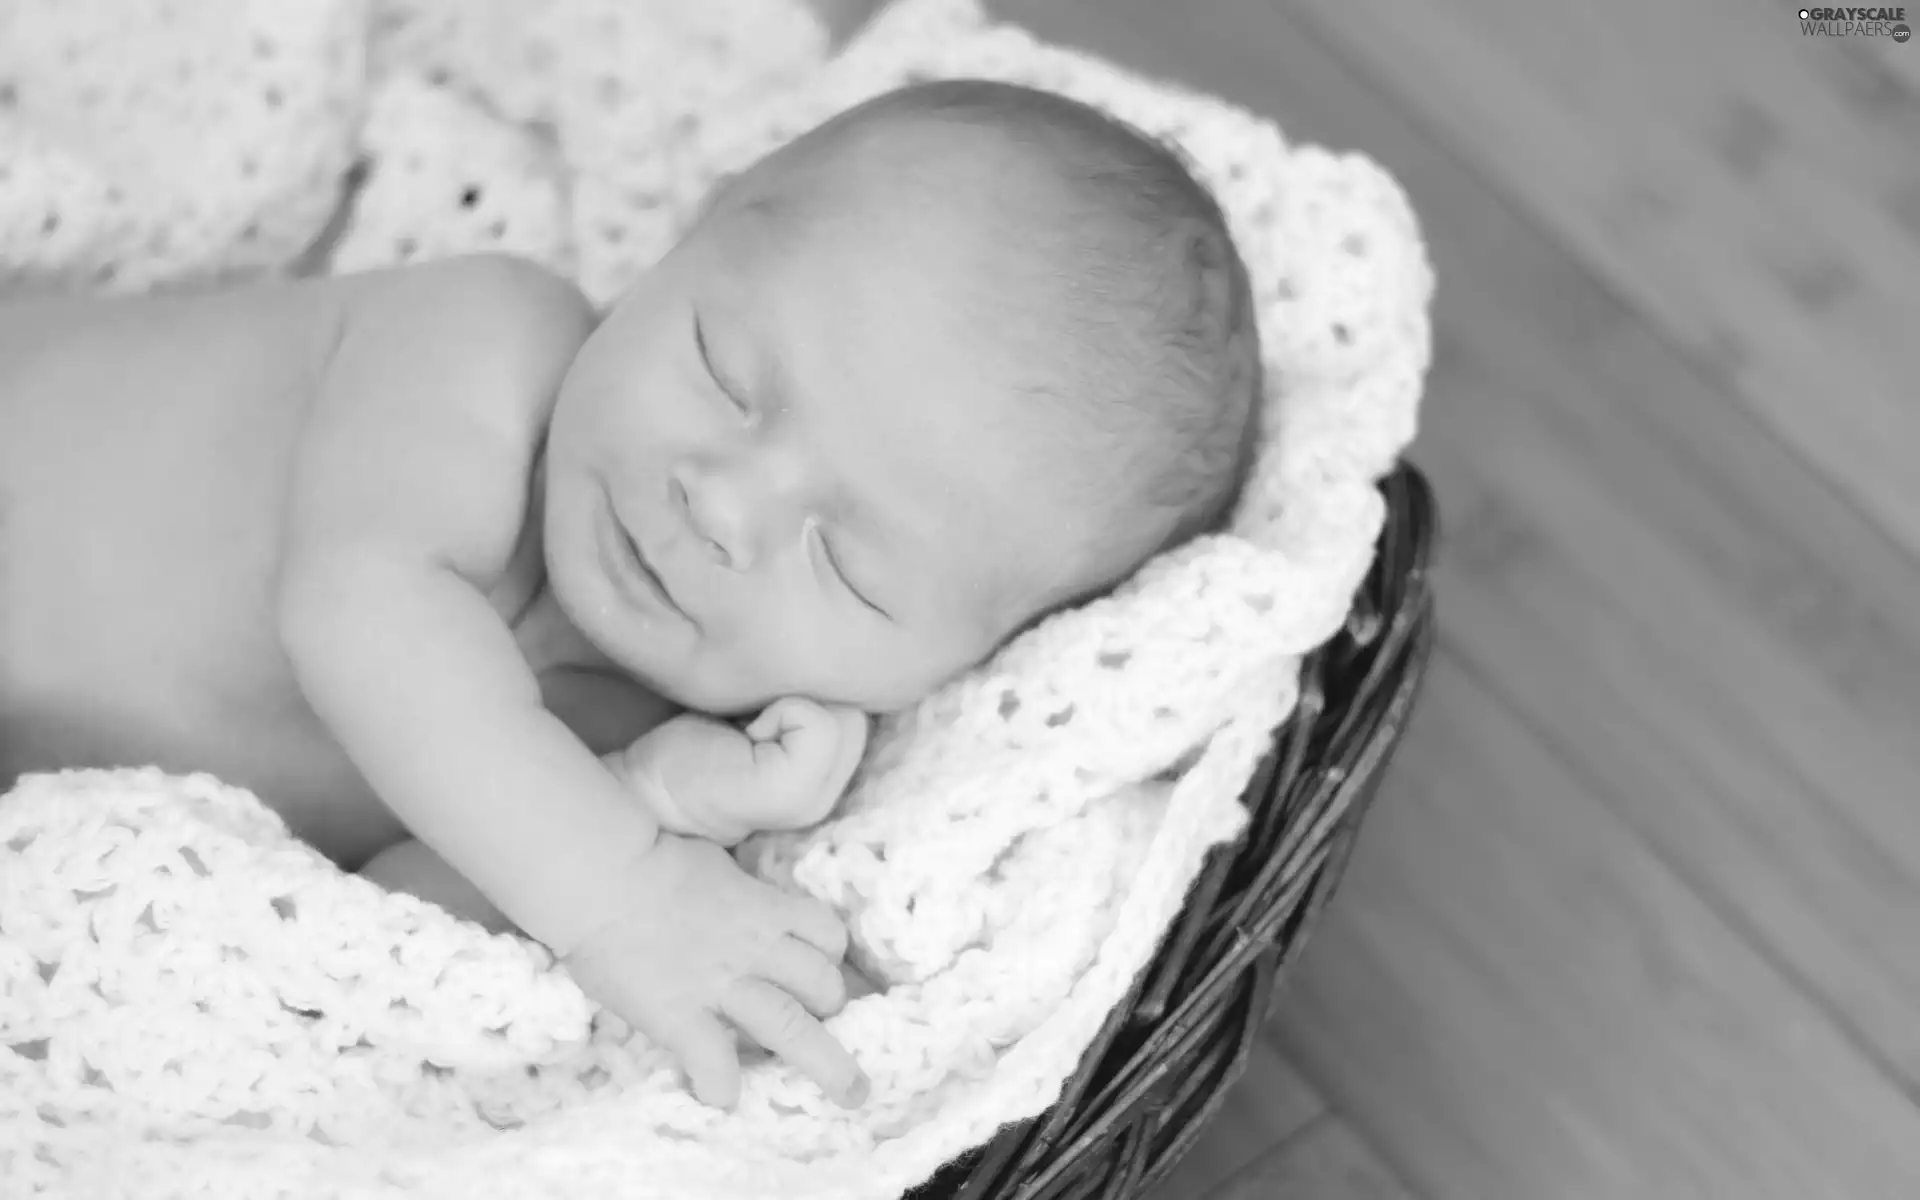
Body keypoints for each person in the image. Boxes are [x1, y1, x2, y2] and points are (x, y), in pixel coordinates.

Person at [0, 79, 1261, 1112]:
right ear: (687, 239)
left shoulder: (599, 748)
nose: (722, 501)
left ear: (948, 674)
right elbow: (363, 611)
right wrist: (622, 884)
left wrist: (649, 797)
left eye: (847, 564)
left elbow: (367, 918)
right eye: (724, 372)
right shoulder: (485, 346)